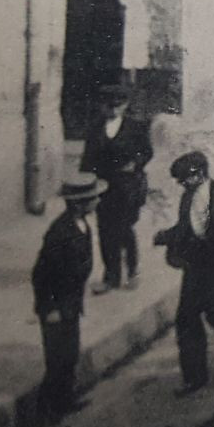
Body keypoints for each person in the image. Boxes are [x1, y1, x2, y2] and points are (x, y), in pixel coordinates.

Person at [156, 152, 214, 396]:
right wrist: (166, 236)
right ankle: (194, 378)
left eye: (186, 178)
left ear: (200, 174)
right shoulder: (187, 198)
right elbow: (186, 227)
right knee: (186, 320)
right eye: (180, 181)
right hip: (196, 266)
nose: (182, 184)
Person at [31, 175, 101, 427]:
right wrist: (49, 309)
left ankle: (65, 401)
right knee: (56, 362)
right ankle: (46, 417)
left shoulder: (83, 225)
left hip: (70, 304)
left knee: (70, 356)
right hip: (55, 308)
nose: (97, 201)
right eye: (93, 198)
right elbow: (41, 275)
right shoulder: (59, 233)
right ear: (80, 204)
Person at [80, 85, 152, 294]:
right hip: (103, 186)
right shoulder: (95, 127)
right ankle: (110, 276)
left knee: (124, 230)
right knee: (104, 230)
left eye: (117, 106)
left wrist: (135, 164)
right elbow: (87, 158)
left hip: (128, 186)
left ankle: (132, 271)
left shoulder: (136, 127)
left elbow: (146, 152)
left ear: (125, 105)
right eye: (108, 106)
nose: (112, 110)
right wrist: (87, 181)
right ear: (102, 106)